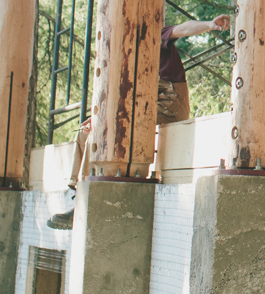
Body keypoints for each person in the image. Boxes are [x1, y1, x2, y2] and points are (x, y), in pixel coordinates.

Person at [66, 11, 232, 187]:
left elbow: (183, 29)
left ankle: (89, 189)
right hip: (144, 106)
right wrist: (101, 116)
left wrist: (209, 24)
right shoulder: (123, 56)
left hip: (170, 105)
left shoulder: (153, 36)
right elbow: (123, 97)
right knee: (87, 130)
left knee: (105, 130)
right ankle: (77, 191)